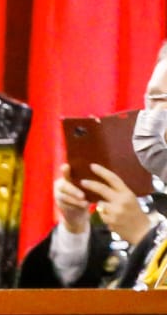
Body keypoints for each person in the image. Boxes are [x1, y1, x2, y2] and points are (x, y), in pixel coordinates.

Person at [20, 44, 167, 289]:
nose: (158, 112)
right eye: (153, 98)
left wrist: (143, 236)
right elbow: (53, 304)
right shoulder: (135, 187)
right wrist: (75, 228)